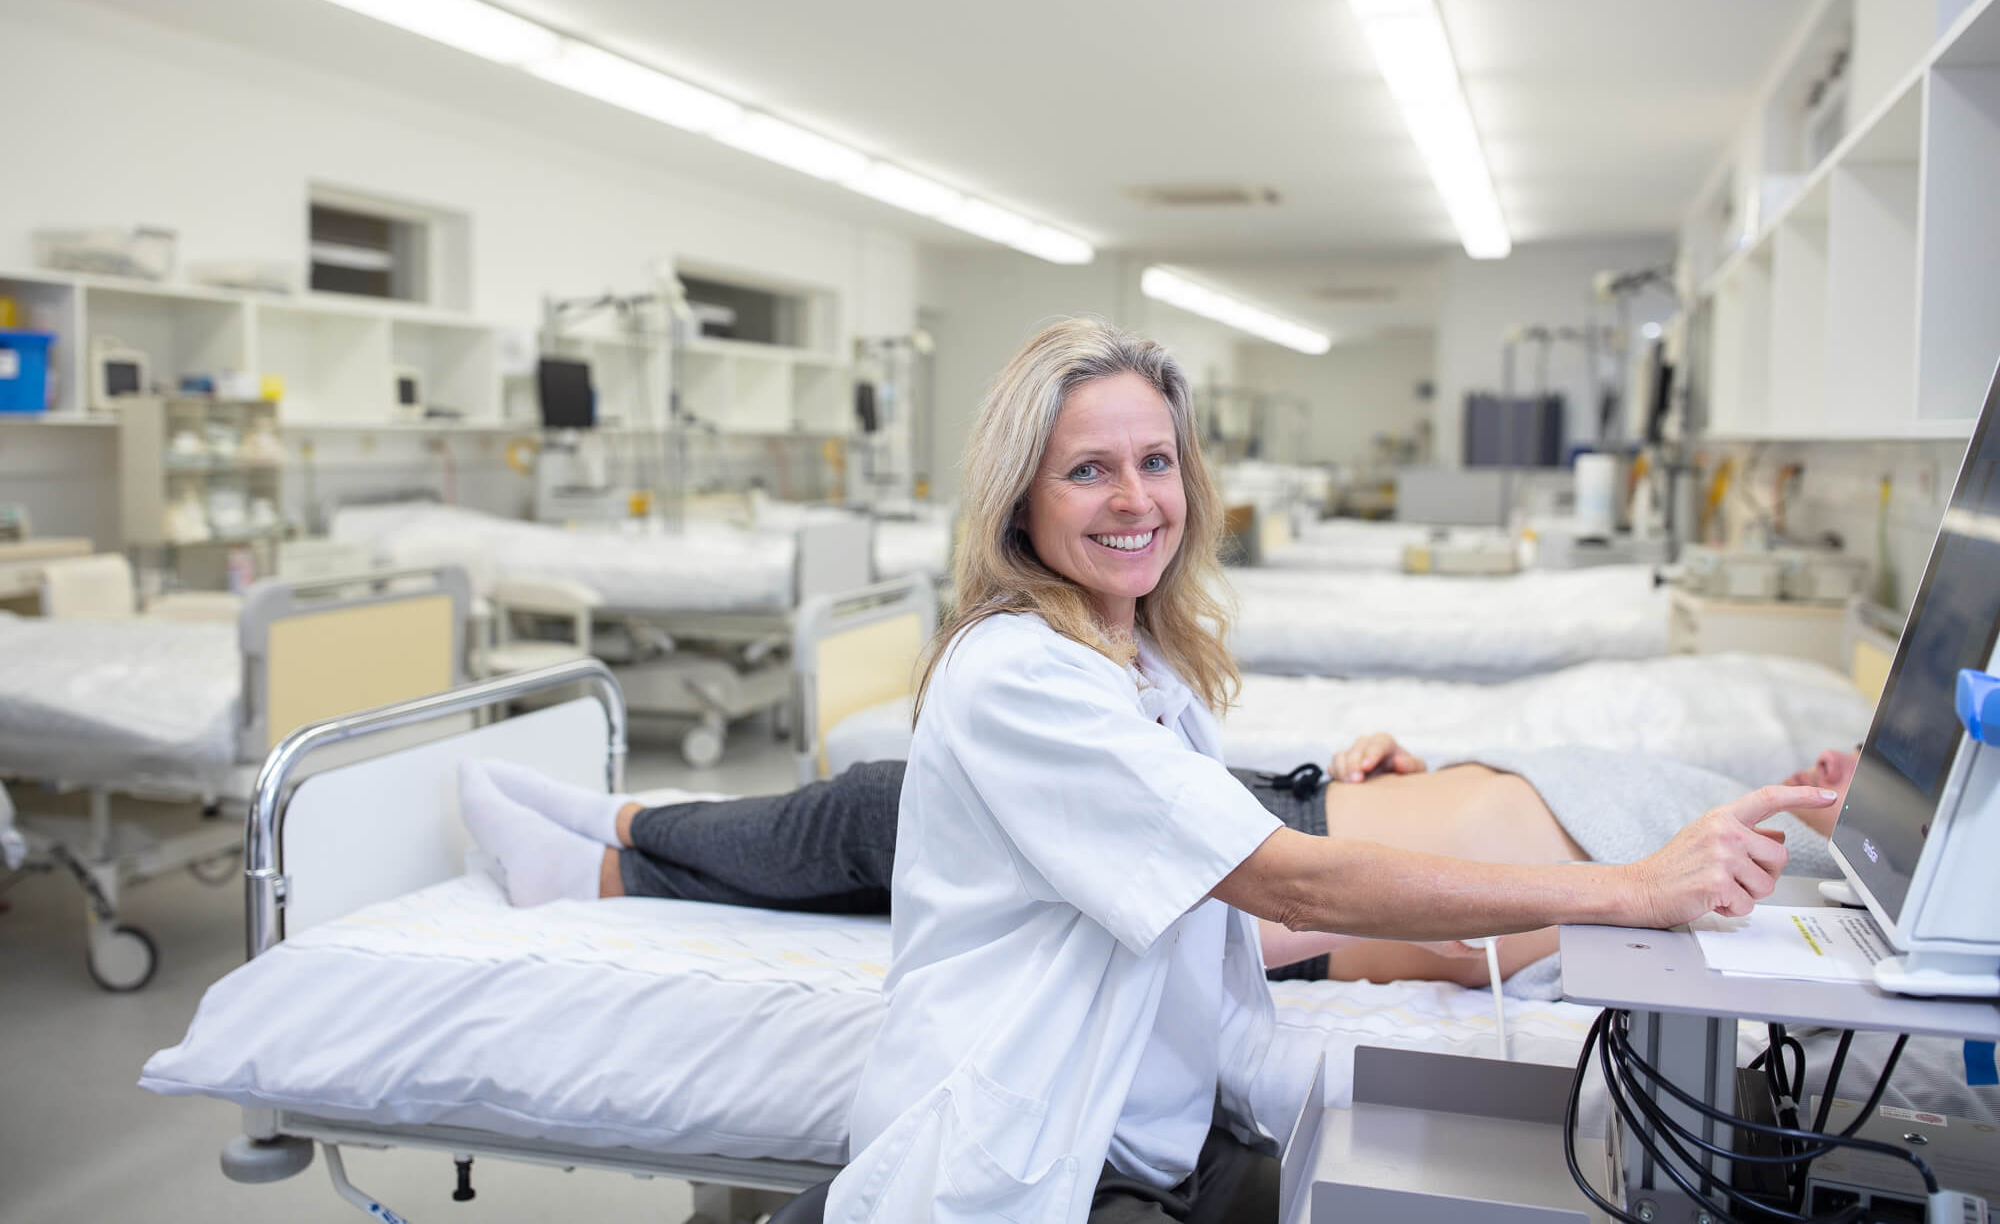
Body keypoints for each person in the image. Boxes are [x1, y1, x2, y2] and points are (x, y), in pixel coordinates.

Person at [460, 317, 1838, 1224]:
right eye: (1090, 471)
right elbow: (1288, 875)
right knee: (857, 821)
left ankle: (609, 835)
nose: (1138, 499)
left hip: (1155, 1134)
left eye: (1157, 462)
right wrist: (1630, 890)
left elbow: (1245, 930)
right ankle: (604, 839)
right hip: (1030, 1168)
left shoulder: (1137, 665)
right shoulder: (1016, 674)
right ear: (1020, 499)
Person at [456, 740, 1862, 992]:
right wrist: (1429, 767)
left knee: (902, 808)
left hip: (1252, 858)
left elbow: (1410, 934)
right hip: (1287, 798)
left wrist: (1239, 932)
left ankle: (621, 846)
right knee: (911, 816)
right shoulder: (1729, 844)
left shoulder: (1659, 902)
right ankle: (624, 840)